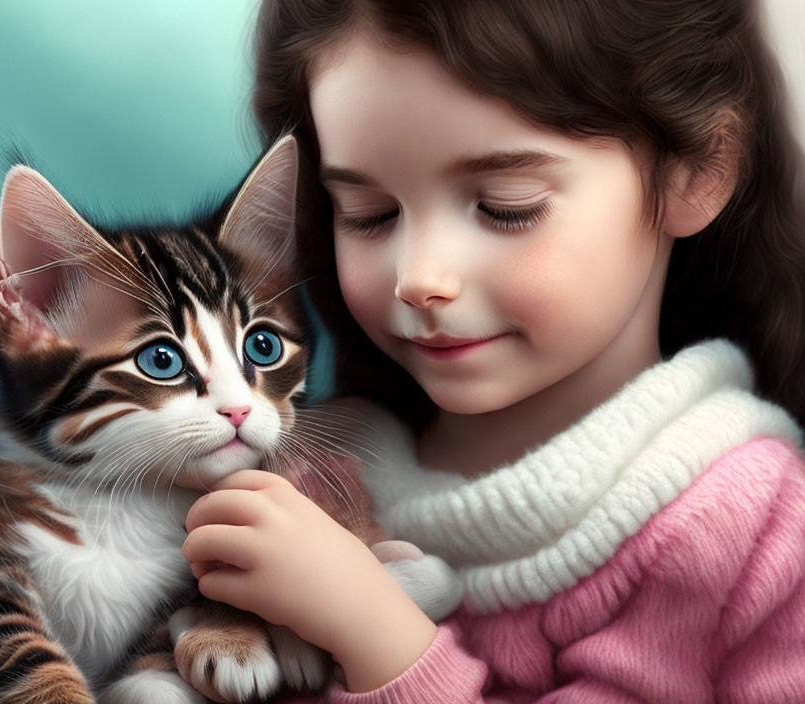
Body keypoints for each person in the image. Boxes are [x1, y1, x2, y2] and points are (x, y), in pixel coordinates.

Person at [181, 0, 805, 701]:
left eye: (505, 205)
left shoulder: (759, 528)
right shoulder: (302, 467)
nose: (419, 278)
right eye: (370, 216)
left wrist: (377, 638)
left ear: (695, 172)